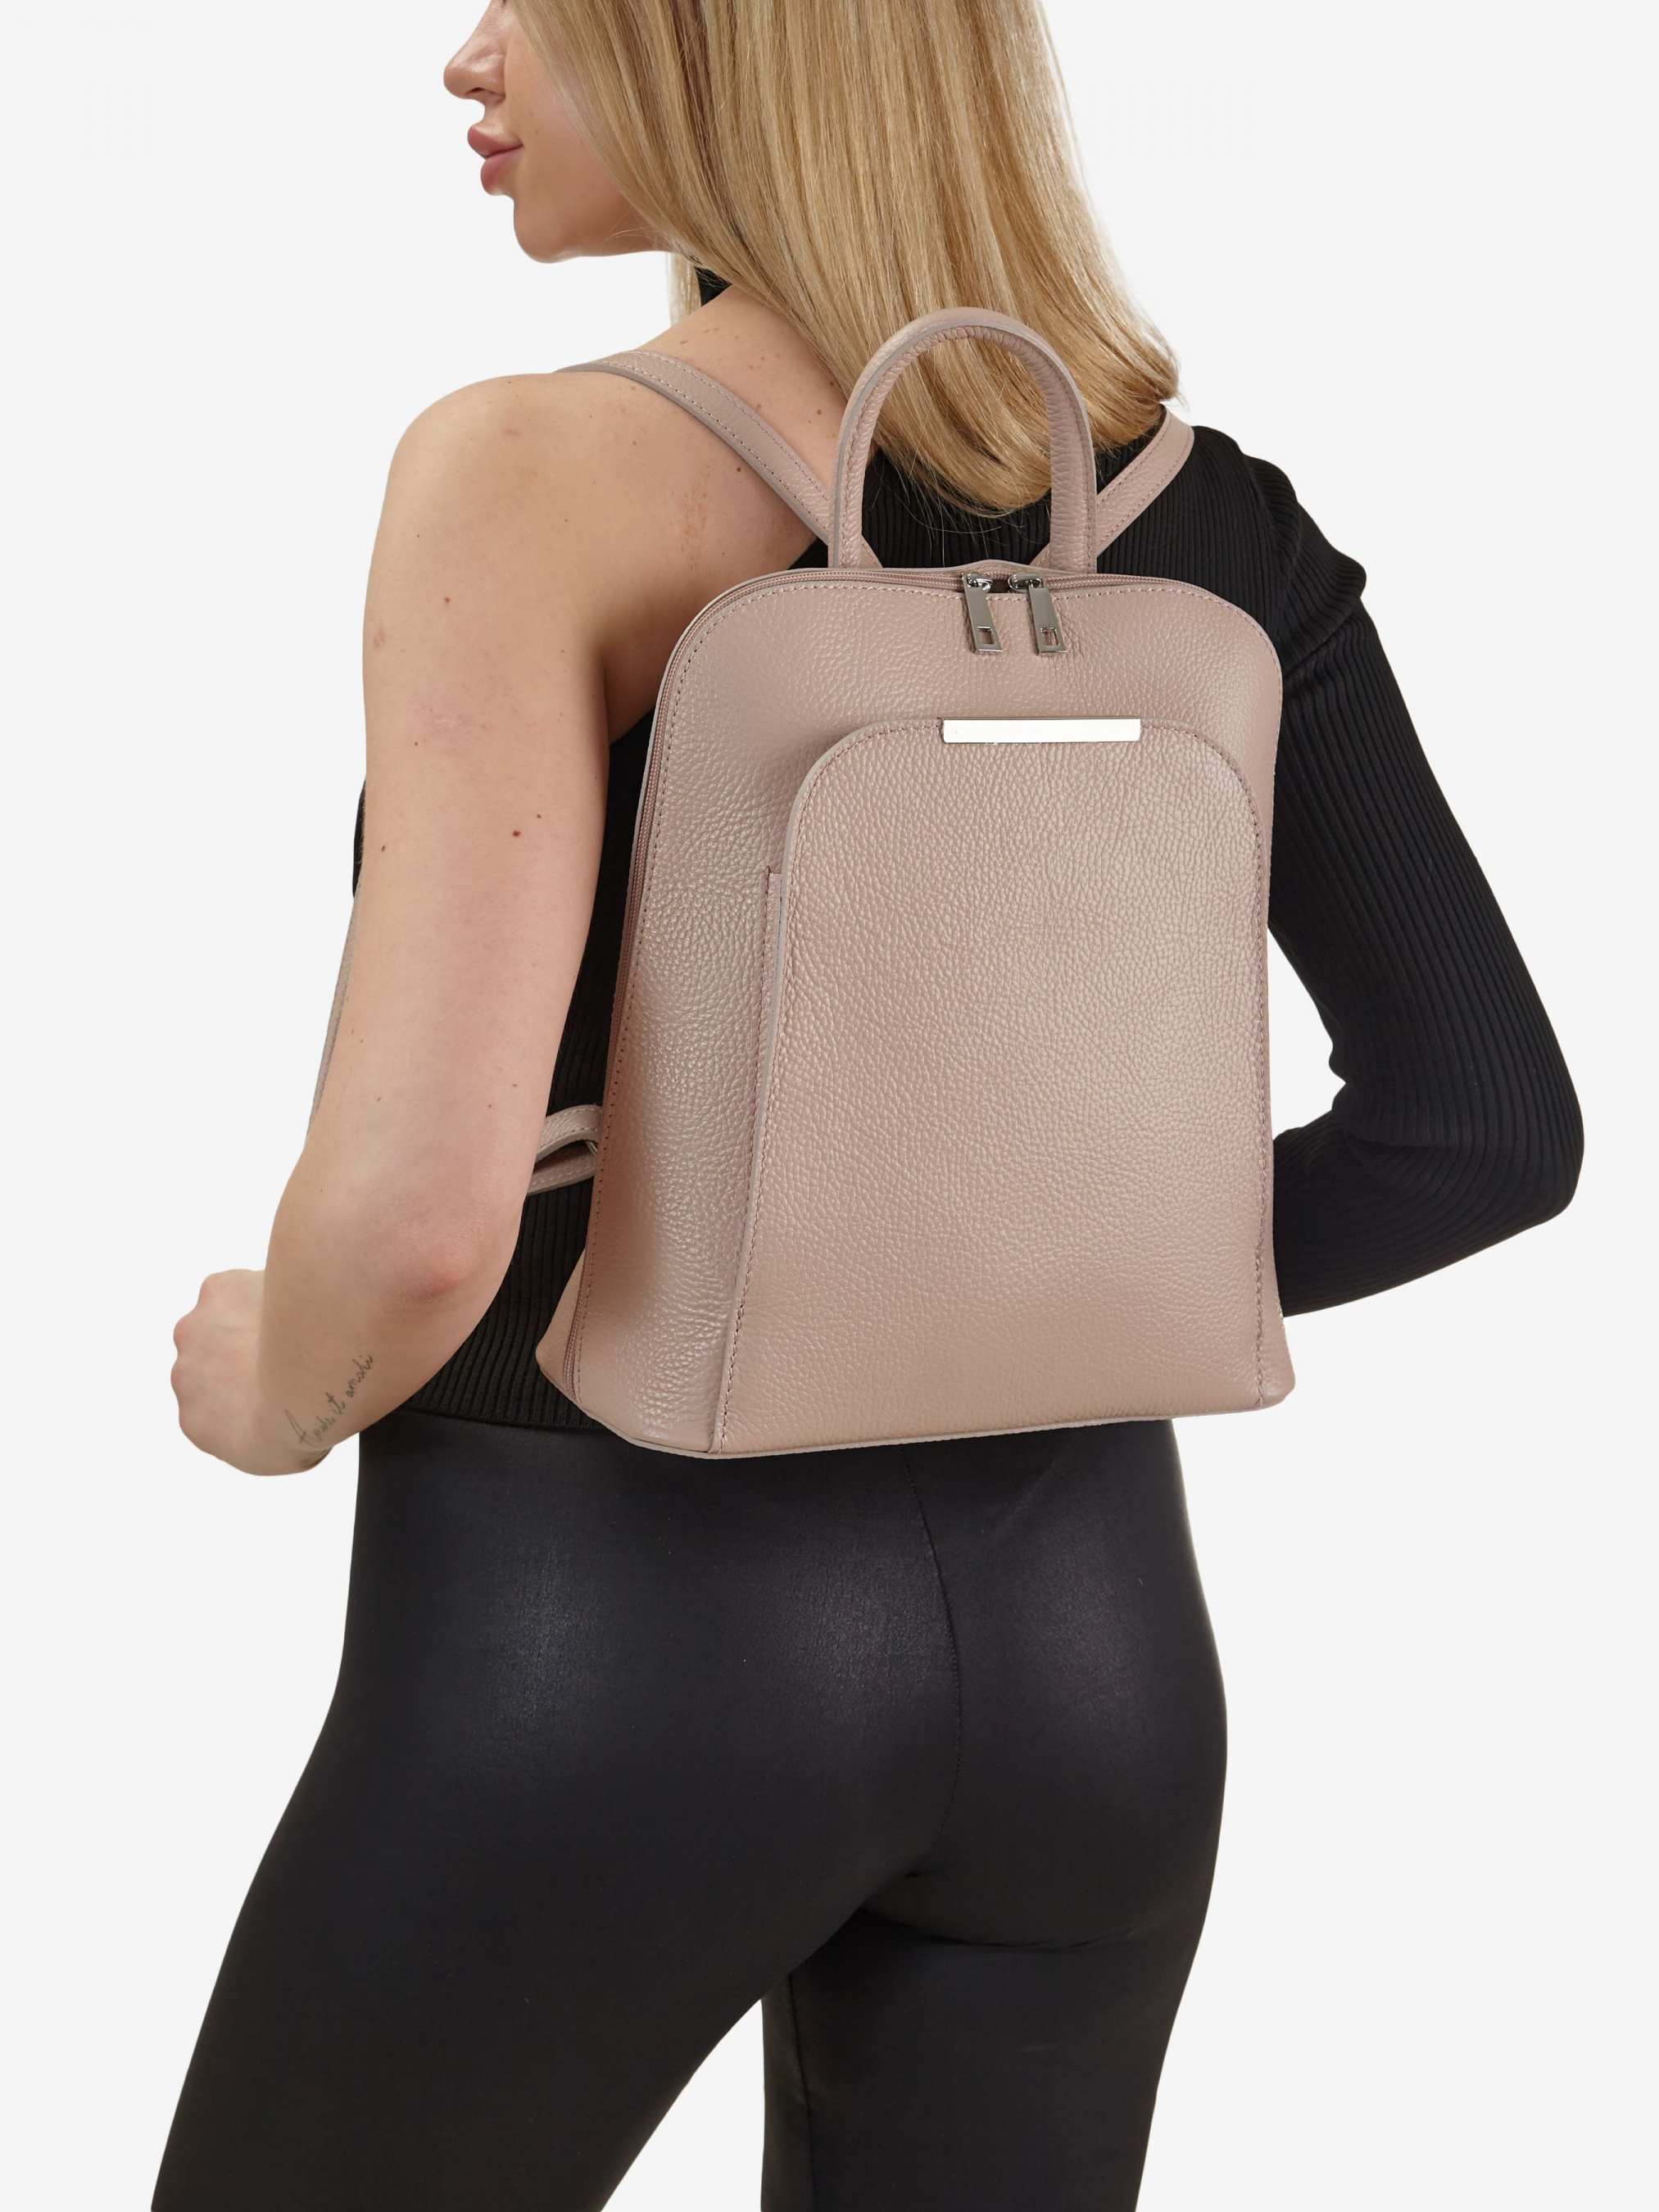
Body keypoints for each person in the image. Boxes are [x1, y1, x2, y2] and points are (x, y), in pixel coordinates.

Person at [155, 3, 1583, 2206]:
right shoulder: (1203, 515)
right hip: (1090, 1670)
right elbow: (1479, 1126)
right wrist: (1012, 1292)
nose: (471, 55)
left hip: (591, 1651)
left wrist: (275, 1387)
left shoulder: (527, 474)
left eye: (542, 3)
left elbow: (426, 1221)